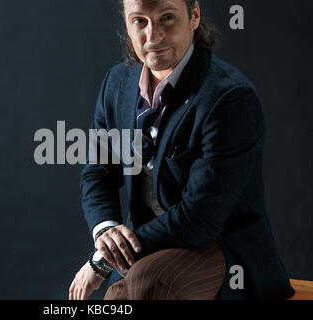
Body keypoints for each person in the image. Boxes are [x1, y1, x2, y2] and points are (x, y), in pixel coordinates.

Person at [69, 0, 295, 300]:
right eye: (139, 21)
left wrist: (104, 259)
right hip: (149, 251)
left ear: (194, 16)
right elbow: (98, 171)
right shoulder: (116, 84)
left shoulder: (229, 98)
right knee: (122, 296)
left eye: (167, 17)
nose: (153, 35)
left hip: (224, 250)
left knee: (147, 285)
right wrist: (106, 233)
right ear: (126, 23)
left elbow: (199, 217)